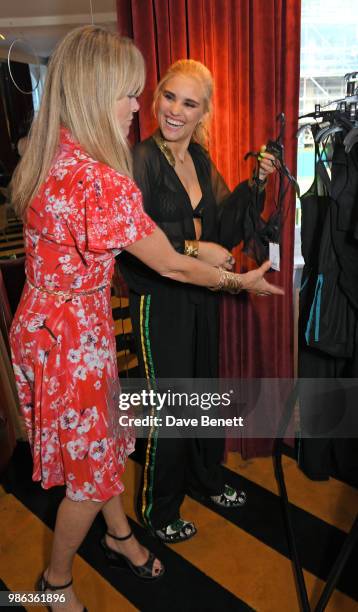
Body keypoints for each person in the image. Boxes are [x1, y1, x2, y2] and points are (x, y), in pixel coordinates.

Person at [9, 27, 282, 611]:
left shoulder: (52, 146)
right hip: (73, 337)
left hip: (48, 322)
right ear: (96, 90)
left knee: (102, 446)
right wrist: (236, 279)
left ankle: (121, 536)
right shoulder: (103, 177)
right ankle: (55, 584)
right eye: (132, 93)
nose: (142, 106)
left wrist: (212, 240)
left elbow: (193, 232)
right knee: (91, 472)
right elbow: (171, 264)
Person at [119, 59, 279, 544]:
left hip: (199, 295)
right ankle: (158, 508)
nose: (174, 110)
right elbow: (135, 236)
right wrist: (194, 248)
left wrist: (257, 184)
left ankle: (205, 479)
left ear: (202, 112)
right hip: (159, 298)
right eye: (169, 96)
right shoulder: (139, 159)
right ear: (156, 97)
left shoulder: (202, 161)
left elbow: (225, 230)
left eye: (188, 103)